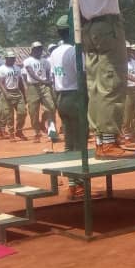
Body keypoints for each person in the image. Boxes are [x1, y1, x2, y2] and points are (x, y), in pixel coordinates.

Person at [75, 0, 135, 158]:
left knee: (95, 84)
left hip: (88, 27)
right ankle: (110, 142)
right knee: (112, 82)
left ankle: (101, 139)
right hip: (108, 26)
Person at [49, 15, 85, 198]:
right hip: (75, 96)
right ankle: (77, 184)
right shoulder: (74, 51)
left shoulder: (54, 52)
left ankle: (72, 182)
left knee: (69, 143)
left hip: (61, 97)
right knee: (79, 144)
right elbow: (83, 76)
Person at [21, 41, 56, 142]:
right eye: (36, 49)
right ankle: (37, 132)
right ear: (32, 50)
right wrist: (43, 80)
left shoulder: (45, 61)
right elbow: (31, 73)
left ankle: (52, 132)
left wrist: (48, 81)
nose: (39, 50)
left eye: (40, 48)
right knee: (33, 111)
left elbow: (48, 72)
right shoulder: (28, 61)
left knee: (51, 107)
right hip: (33, 87)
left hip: (45, 86)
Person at [0, 50, 27, 140]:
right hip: (7, 92)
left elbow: (20, 82)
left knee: (23, 112)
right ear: (6, 59)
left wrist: (24, 94)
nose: (13, 60)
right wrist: (6, 94)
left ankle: (19, 131)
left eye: (13, 58)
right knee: (9, 114)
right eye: (10, 58)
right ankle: (11, 133)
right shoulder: (1, 69)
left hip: (17, 92)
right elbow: (0, 83)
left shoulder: (17, 68)